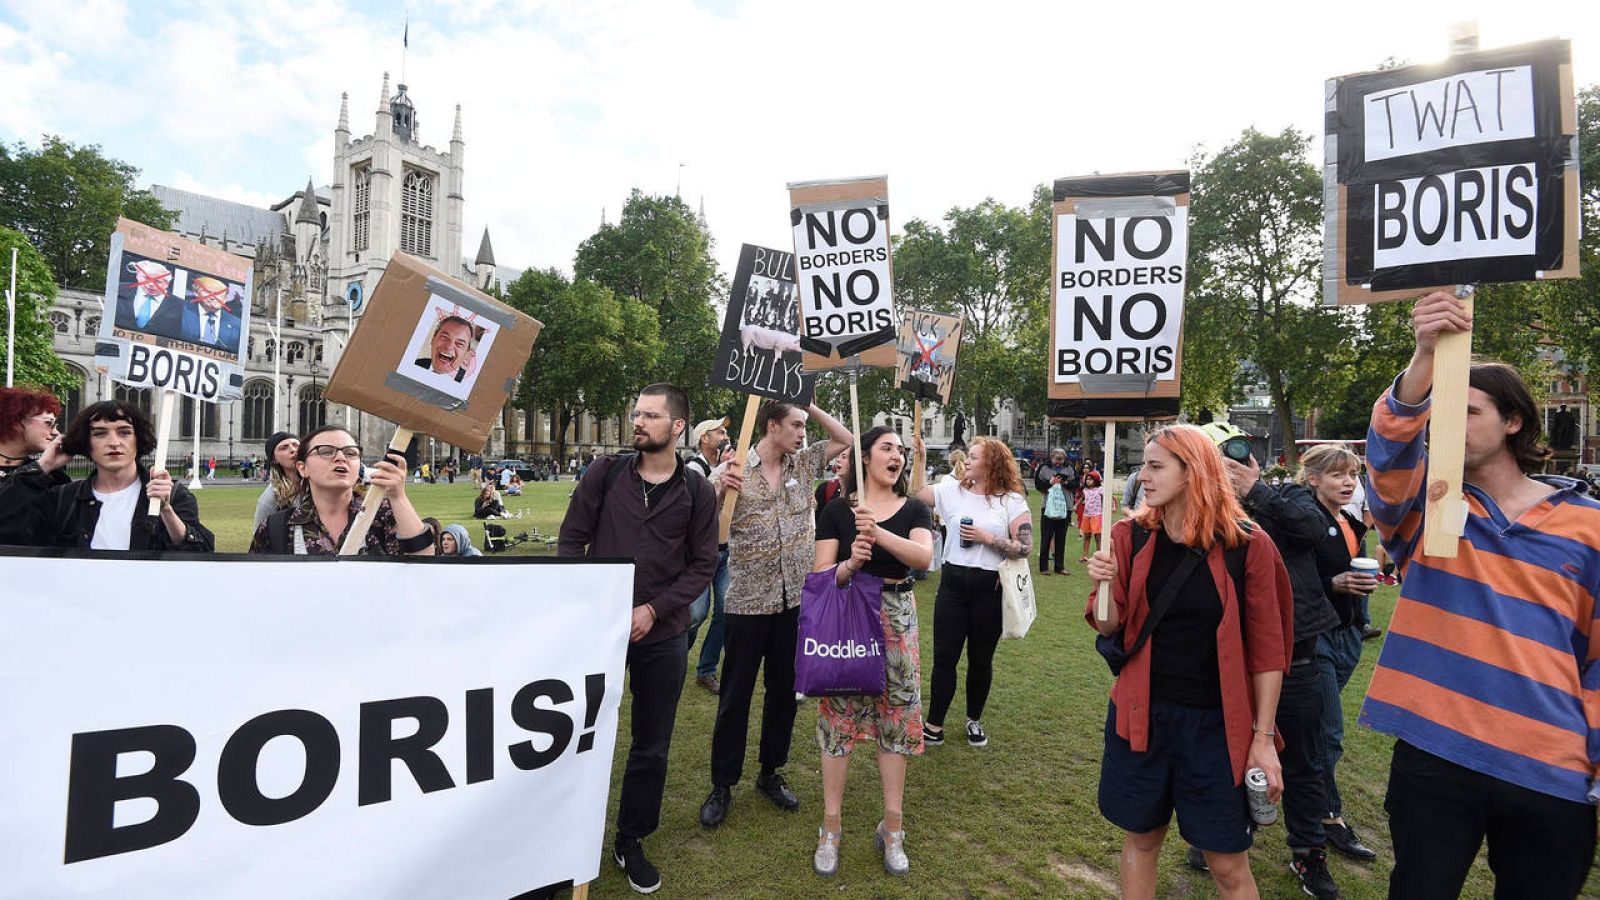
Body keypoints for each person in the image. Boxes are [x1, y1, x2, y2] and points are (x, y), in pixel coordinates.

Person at [1362, 291, 1600, 899]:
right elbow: (1388, 454)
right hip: (1436, 754)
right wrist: (1423, 356)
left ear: (1513, 421)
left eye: (1466, 410)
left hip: (1550, 767)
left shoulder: (1589, 525)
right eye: (1440, 411)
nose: (1446, 422)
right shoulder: (1426, 508)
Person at [1085, 423, 1292, 900]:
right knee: (1142, 838)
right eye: (1144, 465)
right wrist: (1104, 584)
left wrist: (1262, 738)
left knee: (1226, 863)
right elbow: (1113, 627)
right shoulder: (1128, 536)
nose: (1144, 475)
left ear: (1192, 471)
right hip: (1141, 719)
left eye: (1156, 466)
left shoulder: (1249, 545)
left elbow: (1269, 650)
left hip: (1219, 728)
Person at [559, 383, 718, 895]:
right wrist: (584, 603)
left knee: (651, 744)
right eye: (636, 413)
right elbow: (570, 540)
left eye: (650, 415)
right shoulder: (604, 474)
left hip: (663, 635)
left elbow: (701, 565)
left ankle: (631, 838)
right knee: (574, 738)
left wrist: (654, 609)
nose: (638, 421)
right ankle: (558, 843)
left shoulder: (697, 491)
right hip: (597, 633)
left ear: (676, 427)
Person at [700, 400, 853, 829]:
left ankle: (770, 771)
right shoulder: (732, 472)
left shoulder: (803, 465)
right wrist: (715, 492)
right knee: (735, 696)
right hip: (748, 601)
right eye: (796, 424)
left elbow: (847, 441)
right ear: (772, 426)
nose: (803, 432)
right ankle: (722, 783)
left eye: (805, 426)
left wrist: (811, 405)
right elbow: (707, 531)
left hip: (794, 602)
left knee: (783, 692)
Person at [1207, 421, 1344, 898]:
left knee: (1304, 762)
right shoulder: (1208, 506)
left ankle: (1308, 853)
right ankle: (1217, 836)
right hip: (1229, 658)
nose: (1234, 464)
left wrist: (1256, 490)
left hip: (1297, 653)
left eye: (1240, 456)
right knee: (1222, 753)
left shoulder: (1287, 497)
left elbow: (1316, 533)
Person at [810, 426, 934, 878]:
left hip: (898, 617)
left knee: (896, 721)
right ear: (865, 458)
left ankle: (893, 828)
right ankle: (831, 828)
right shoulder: (837, 511)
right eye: (887, 448)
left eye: (900, 450)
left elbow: (922, 559)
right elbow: (821, 572)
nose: (897, 455)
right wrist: (850, 562)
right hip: (848, 616)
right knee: (839, 717)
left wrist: (877, 534)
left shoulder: (915, 508)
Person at [909, 435, 1031, 749]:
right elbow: (917, 492)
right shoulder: (952, 490)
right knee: (944, 658)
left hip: (988, 590)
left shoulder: (1011, 501)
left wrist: (987, 538)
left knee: (980, 660)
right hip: (952, 585)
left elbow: (1025, 547)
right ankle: (934, 724)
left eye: (974, 456)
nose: (968, 461)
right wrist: (919, 458)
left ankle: (973, 720)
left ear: (992, 462)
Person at [1297, 444, 1381, 867]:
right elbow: (1296, 581)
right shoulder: (1301, 522)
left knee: (1303, 732)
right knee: (1327, 732)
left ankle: (1255, 802)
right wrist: (1336, 583)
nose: (1348, 482)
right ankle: (1329, 818)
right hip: (1318, 639)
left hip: (1348, 635)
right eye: (1337, 475)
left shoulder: (1350, 521)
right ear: (1313, 479)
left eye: (1353, 475)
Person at [26, 400, 214, 552]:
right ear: (86, 442)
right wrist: (44, 466)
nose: (114, 442)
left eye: (124, 432)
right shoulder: (63, 499)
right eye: (100, 433)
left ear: (138, 439)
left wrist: (166, 511)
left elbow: (202, 553)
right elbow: (10, 530)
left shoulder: (174, 495)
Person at [248, 425, 433, 556]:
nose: (340, 457)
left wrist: (398, 496)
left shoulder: (383, 513)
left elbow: (423, 560)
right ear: (302, 468)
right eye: (326, 451)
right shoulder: (276, 527)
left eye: (350, 452)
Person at [685, 416, 734, 695]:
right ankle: (675, 657)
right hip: (701, 552)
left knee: (725, 611)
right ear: (704, 438)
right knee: (696, 614)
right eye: (719, 431)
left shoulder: (721, 466)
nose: (724, 435)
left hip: (725, 549)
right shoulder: (695, 468)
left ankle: (706, 670)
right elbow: (697, 511)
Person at [0, 387, 70, 544]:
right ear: (16, 421)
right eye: (49, 423)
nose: (55, 433)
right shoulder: (43, 471)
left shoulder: (52, 477)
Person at [1034, 447, 1076, 575]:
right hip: (1048, 507)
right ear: (1051, 458)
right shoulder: (1043, 468)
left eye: (1061, 460)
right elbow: (1038, 485)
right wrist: (1050, 482)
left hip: (1065, 507)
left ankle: (1059, 567)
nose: (1058, 463)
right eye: (1056, 460)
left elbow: (1077, 484)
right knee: (1046, 537)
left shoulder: (1069, 468)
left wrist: (1065, 482)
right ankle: (1044, 568)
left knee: (1061, 537)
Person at [252, 431, 302, 533]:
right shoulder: (269, 500)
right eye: (284, 447)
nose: (293, 450)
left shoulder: (321, 486)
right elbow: (259, 540)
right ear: (274, 460)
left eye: (296, 445)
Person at [413, 315, 473, 382]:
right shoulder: (416, 363)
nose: (449, 347)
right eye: (444, 337)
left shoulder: (468, 382)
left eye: (459, 344)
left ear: (466, 354)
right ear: (433, 339)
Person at [1077, 470, 1107, 563]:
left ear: (1096, 480)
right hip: (1087, 515)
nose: (1088, 481)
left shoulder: (1100, 490)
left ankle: (1099, 556)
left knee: (1098, 537)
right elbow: (1082, 498)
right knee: (1087, 536)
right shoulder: (1085, 490)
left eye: (1091, 479)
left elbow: (1107, 498)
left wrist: (1108, 507)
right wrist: (1076, 505)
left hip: (1096, 515)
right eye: (1087, 479)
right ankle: (1085, 555)